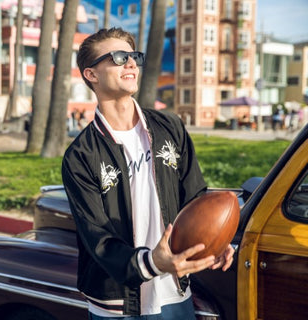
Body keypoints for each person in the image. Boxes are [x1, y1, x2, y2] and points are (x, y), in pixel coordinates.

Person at [61, 28, 234, 320]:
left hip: (174, 292)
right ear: (91, 75)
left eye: (133, 57)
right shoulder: (80, 156)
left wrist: (214, 240)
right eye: (118, 57)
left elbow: (195, 197)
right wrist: (152, 261)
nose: (131, 64)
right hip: (116, 304)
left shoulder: (170, 127)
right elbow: (97, 239)